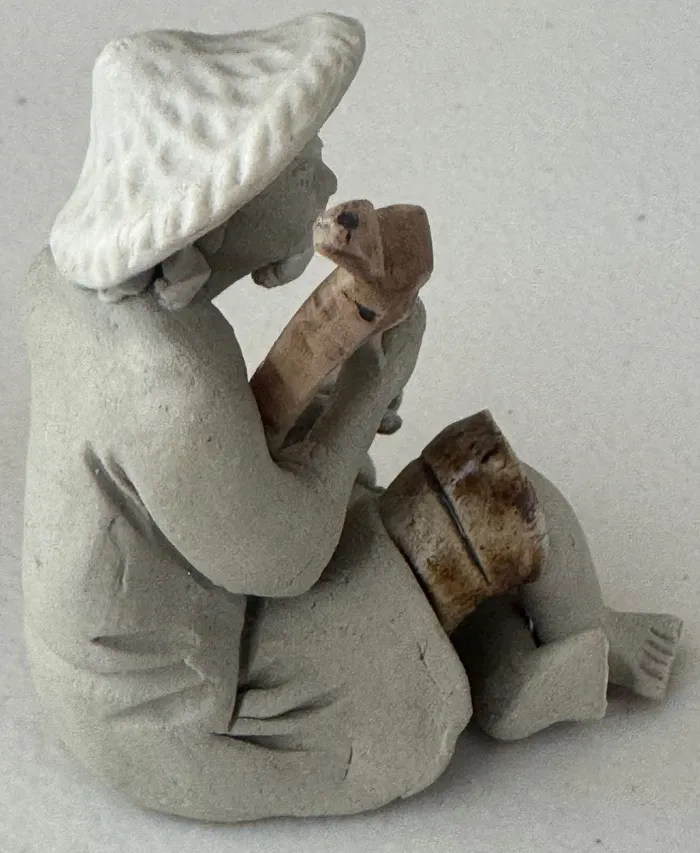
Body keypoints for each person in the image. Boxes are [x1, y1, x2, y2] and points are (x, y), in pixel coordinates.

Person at [23, 14, 681, 823]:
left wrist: (327, 392)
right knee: (479, 513)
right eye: (301, 165)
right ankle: (550, 653)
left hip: (154, 627)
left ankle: (518, 664)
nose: (326, 182)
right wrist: (368, 390)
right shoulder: (168, 378)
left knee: (418, 539)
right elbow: (284, 557)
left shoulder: (63, 282)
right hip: (185, 704)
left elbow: (203, 471)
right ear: (217, 212)